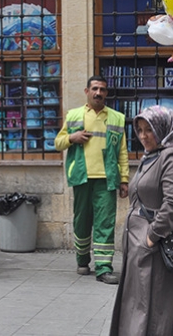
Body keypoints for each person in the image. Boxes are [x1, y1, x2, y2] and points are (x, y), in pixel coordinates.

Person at [54, 75, 129, 285]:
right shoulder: (74, 115)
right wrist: (72, 138)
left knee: (105, 223)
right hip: (81, 177)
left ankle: (104, 268)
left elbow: (122, 151)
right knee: (82, 221)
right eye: (95, 88)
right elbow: (58, 143)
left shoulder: (117, 118)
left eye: (102, 89)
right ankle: (82, 260)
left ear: (106, 93)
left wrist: (124, 179)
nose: (98, 93)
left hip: (107, 179)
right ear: (87, 91)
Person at [110, 105, 173, 335]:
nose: (144, 136)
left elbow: (171, 203)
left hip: (151, 249)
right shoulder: (150, 156)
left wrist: (151, 236)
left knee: (152, 307)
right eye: (140, 130)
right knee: (137, 304)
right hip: (136, 247)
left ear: (162, 128)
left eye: (150, 130)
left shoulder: (169, 156)